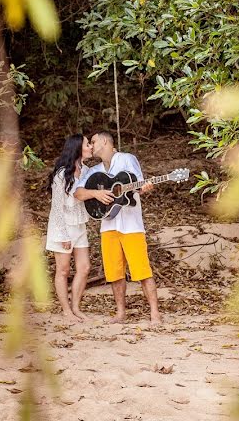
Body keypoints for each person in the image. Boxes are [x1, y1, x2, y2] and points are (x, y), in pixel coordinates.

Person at [74, 132, 161, 325]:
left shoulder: (127, 159)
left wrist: (145, 187)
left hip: (131, 225)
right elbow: (79, 193)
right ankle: (121, 313)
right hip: (108, 225)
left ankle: (155, 314)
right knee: (114, 272)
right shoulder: (94, 170)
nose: (91, 145)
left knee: (142, 270)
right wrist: (96, 193)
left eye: (94, 141)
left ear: (104, 141)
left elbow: (139, 184)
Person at [45, 134, 95, 323]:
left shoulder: (87, 171)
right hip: (62, 226)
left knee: (84, 267)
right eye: (87, 144)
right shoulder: (61, 175)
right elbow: (56, 208)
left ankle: (76, 307)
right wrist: (64, 235)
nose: (90, 146)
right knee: (63, 270)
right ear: (77, 148)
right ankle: (66, 310)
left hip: (80, 225)